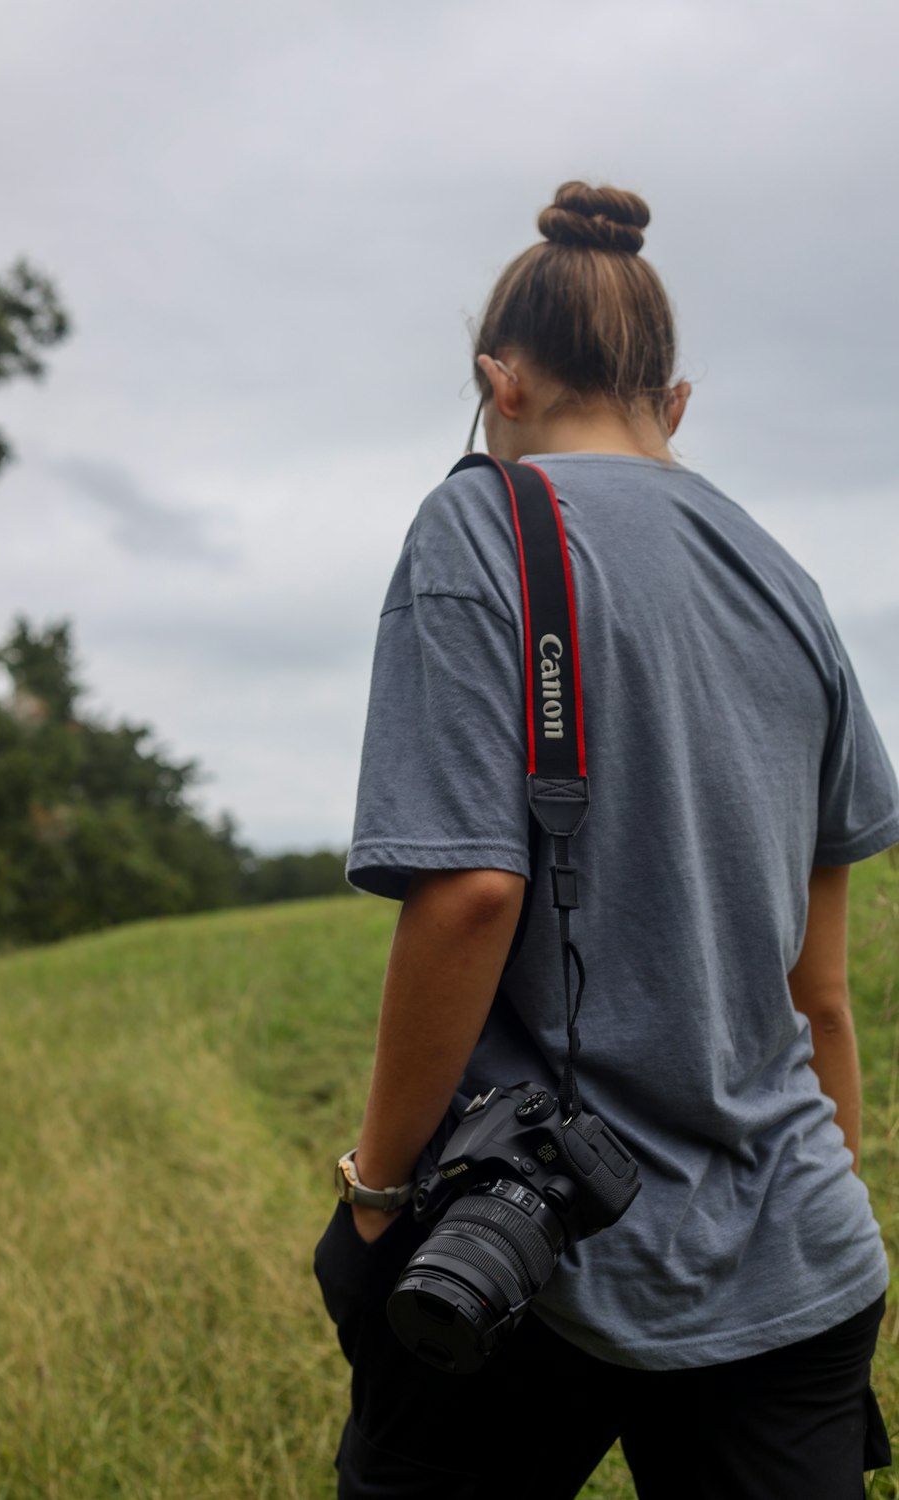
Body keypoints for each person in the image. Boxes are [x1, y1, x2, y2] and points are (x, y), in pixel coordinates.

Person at [313, 181, 899, 1500]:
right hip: (800, 1262)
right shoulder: (788, 582)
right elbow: (819, 995)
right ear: (673, 402)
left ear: (498, 384)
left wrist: (377, 1196)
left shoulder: (477, 523)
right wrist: (796, 1218)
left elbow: (469, 894)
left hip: (531, 1262)